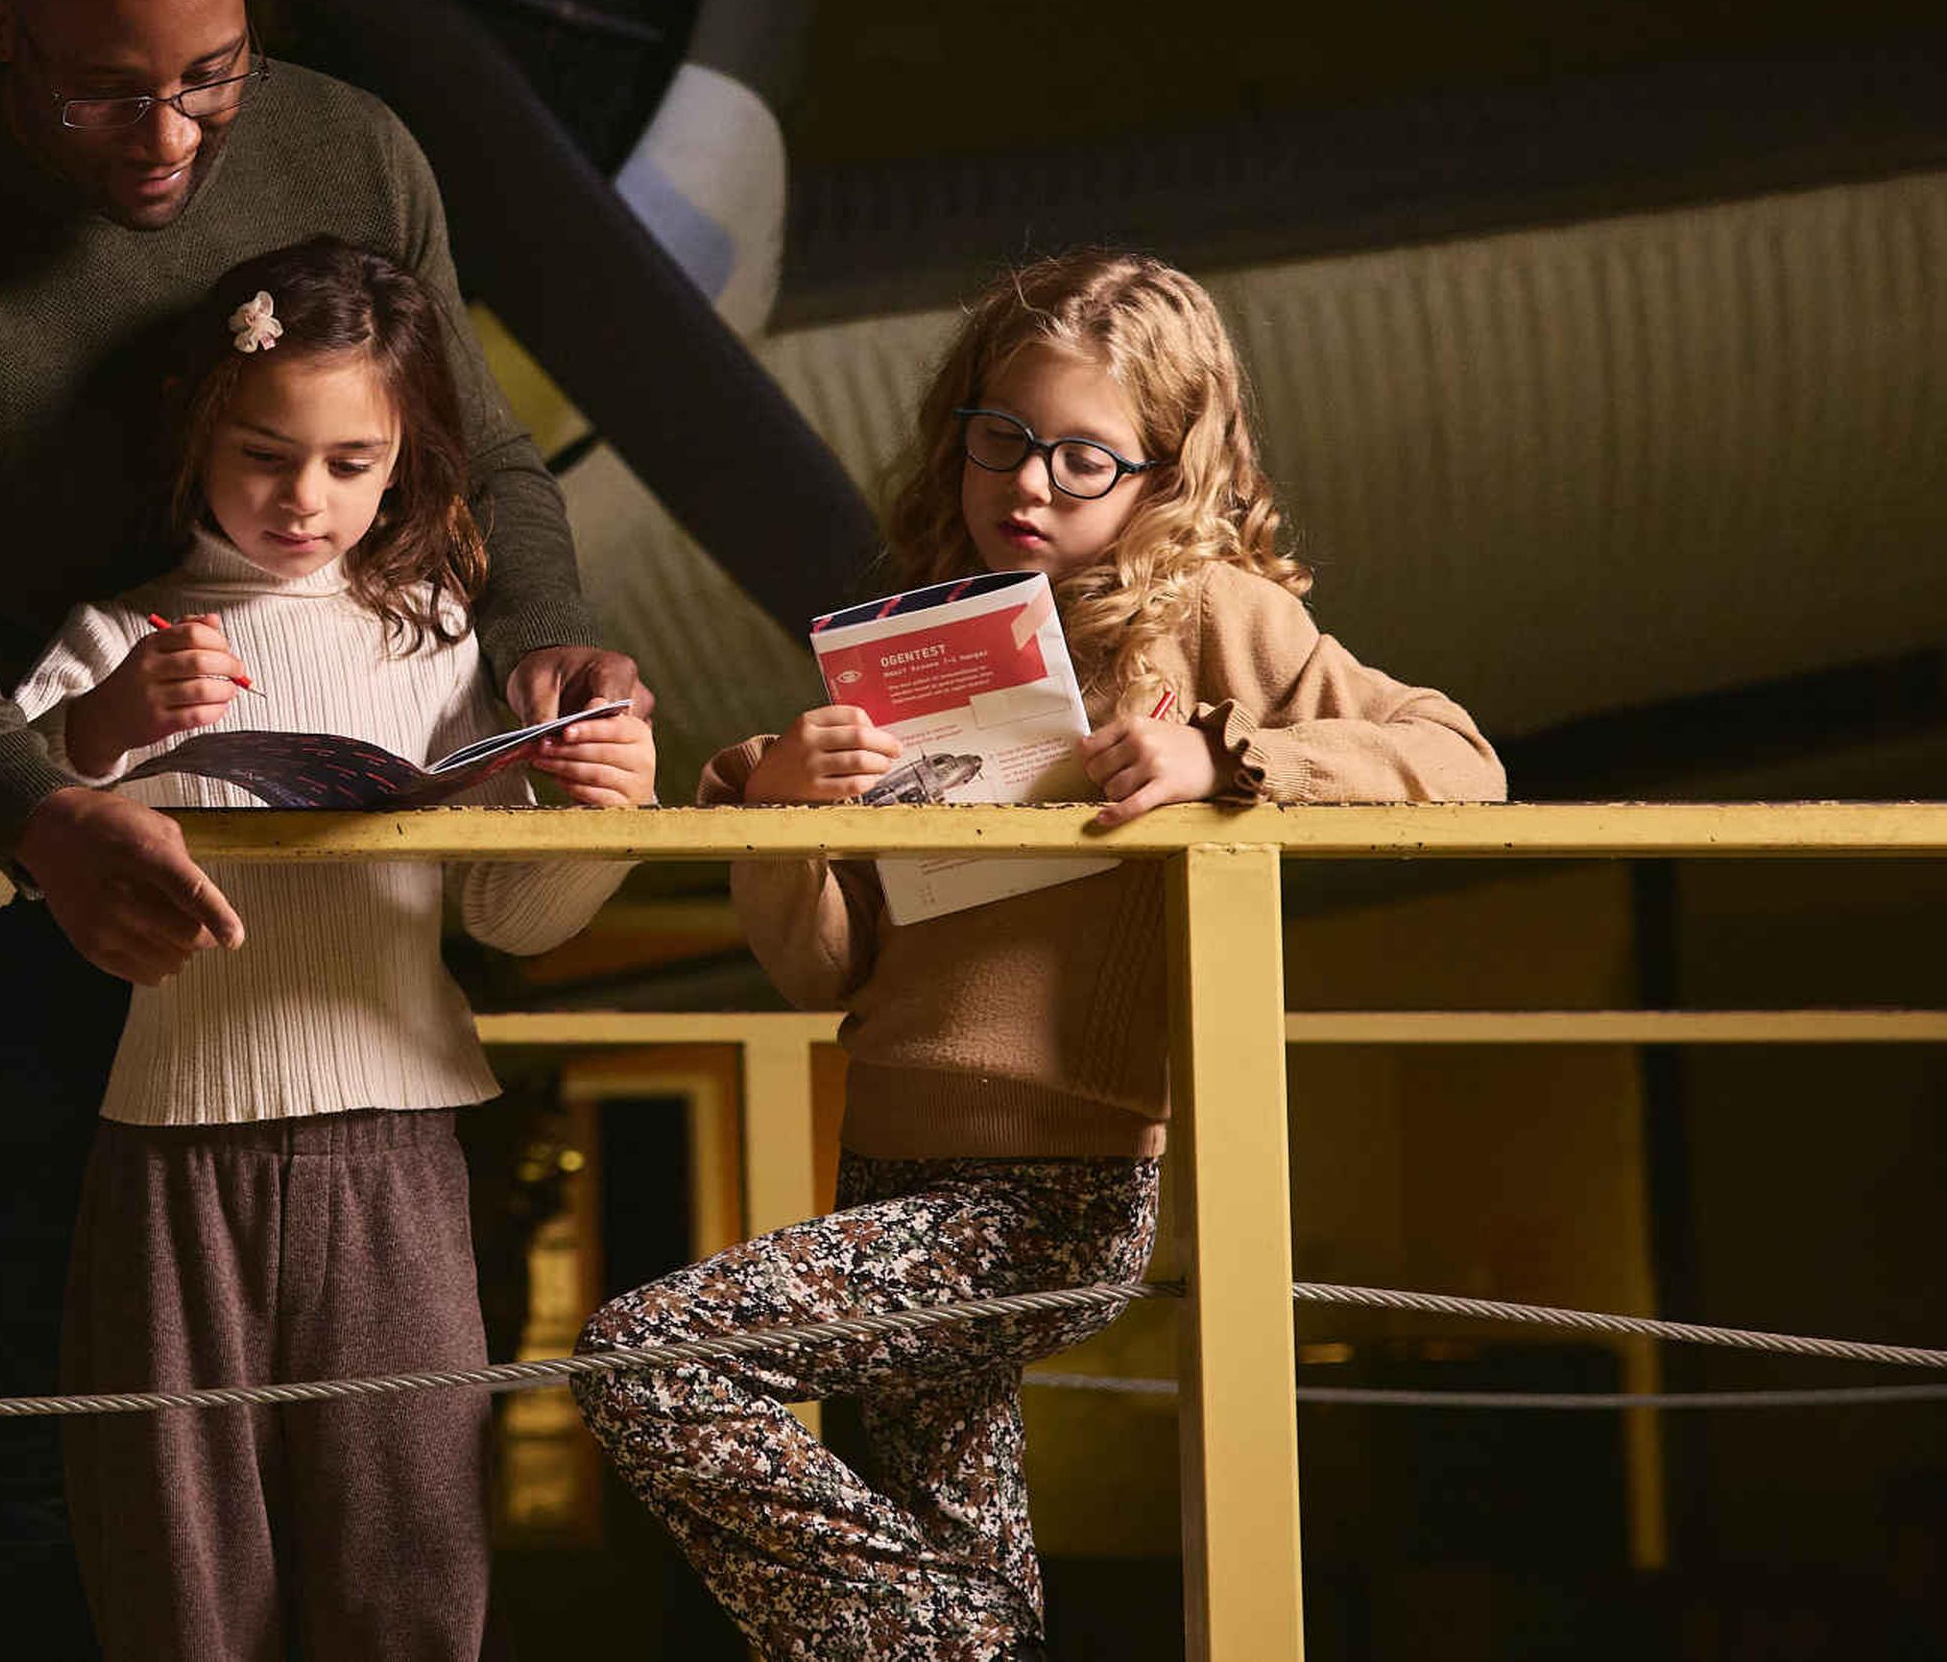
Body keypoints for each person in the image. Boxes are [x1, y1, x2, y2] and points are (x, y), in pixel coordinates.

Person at [0, 0, 649, 1653]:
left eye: (211, 81)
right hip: (17, 847)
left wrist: (554, 648)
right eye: (104, 96)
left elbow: (476, 454)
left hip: (338, 996)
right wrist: (42, 811)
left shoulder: (350, 149)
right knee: (46, 1457)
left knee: (383, 1502)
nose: (168, 141)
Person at [573, 249, 1503, 1662]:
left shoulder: (1214, 625)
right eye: (1002, 439)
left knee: (646, 1363)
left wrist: (1222, 752)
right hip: (887, 1160)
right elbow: (828, 971)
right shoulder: (914, 639)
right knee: (940, 1552)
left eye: (1085, 460)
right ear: (960, 428)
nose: (1029, 486)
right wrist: (779, 822)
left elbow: (1465, 763)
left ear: (1166, 474)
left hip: (1054, 1197)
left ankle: (966, 1644)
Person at [0, 238, 654, 1660]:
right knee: (181, 1586)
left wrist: (608, 821)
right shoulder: (117, 634)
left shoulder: (442, 645)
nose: (304, 500)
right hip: (165, 1161)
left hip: (405, 1155)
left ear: (404, 462)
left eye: (352, 462)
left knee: (411, 1577)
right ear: (201, 428)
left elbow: (507, 916)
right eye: (263, 453)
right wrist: (99, 730)